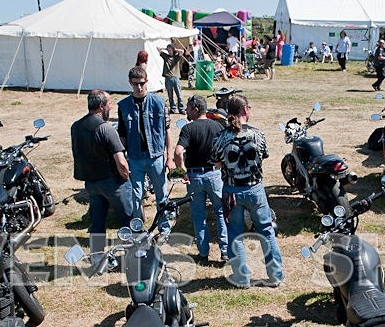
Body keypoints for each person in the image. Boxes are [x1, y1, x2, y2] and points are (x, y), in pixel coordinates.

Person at [210, 95, 283, 288]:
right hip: (255, 188)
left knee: (234, 234)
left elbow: (216, 162)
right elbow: (263, 156)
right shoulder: (258, 135)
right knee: (266, 231)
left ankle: (242, 278)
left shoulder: (220, 137)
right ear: (245, 110)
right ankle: (275, 275)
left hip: (232, 190)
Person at [71, 90, 133, 264]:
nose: (111, 107)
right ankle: (131, 256)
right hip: (113, 183)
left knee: (97, 223)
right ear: (101, 106)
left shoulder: (76, 126)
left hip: (91, 183)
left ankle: (96, 257)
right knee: (127, 220)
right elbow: (121, 162)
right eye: (109, 103)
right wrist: (126, 177)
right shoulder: (105, 129)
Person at [117, 66, 174, 231]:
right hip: (134, 158)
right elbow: (122, 135)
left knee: (161, 194)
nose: (139, 87)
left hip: (156, 156)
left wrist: (169, 157)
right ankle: (137, 228)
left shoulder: (159, 102)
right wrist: (122, 158)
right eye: (135, 84)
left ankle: (164, 228)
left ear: (146, 81)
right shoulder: (123, 106)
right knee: (136, 196)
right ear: (130, 83)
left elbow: (167, 132)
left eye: (141, 83)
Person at [174, 95, 228, 263]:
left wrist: (181, 170)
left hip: (195, 176)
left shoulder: (188, 129)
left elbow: (177, 152)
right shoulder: (217, 126)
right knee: (221, 213)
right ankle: (225, 251)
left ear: (195, 110)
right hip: (214, 174)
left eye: (188, 108)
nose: (186, 111)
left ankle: (203, 253)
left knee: (199, 216)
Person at [158, 41, 186, 114]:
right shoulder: (165, 56)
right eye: (168, 50)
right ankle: (173, 108)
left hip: (176, 77)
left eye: (170, 50)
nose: (169, 51)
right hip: (167, 78)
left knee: (179, 94)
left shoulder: (176, 57)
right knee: (170, 94)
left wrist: (175, 49)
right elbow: (158, 49)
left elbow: (182, 51)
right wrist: (165, 48)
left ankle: (181, 108)